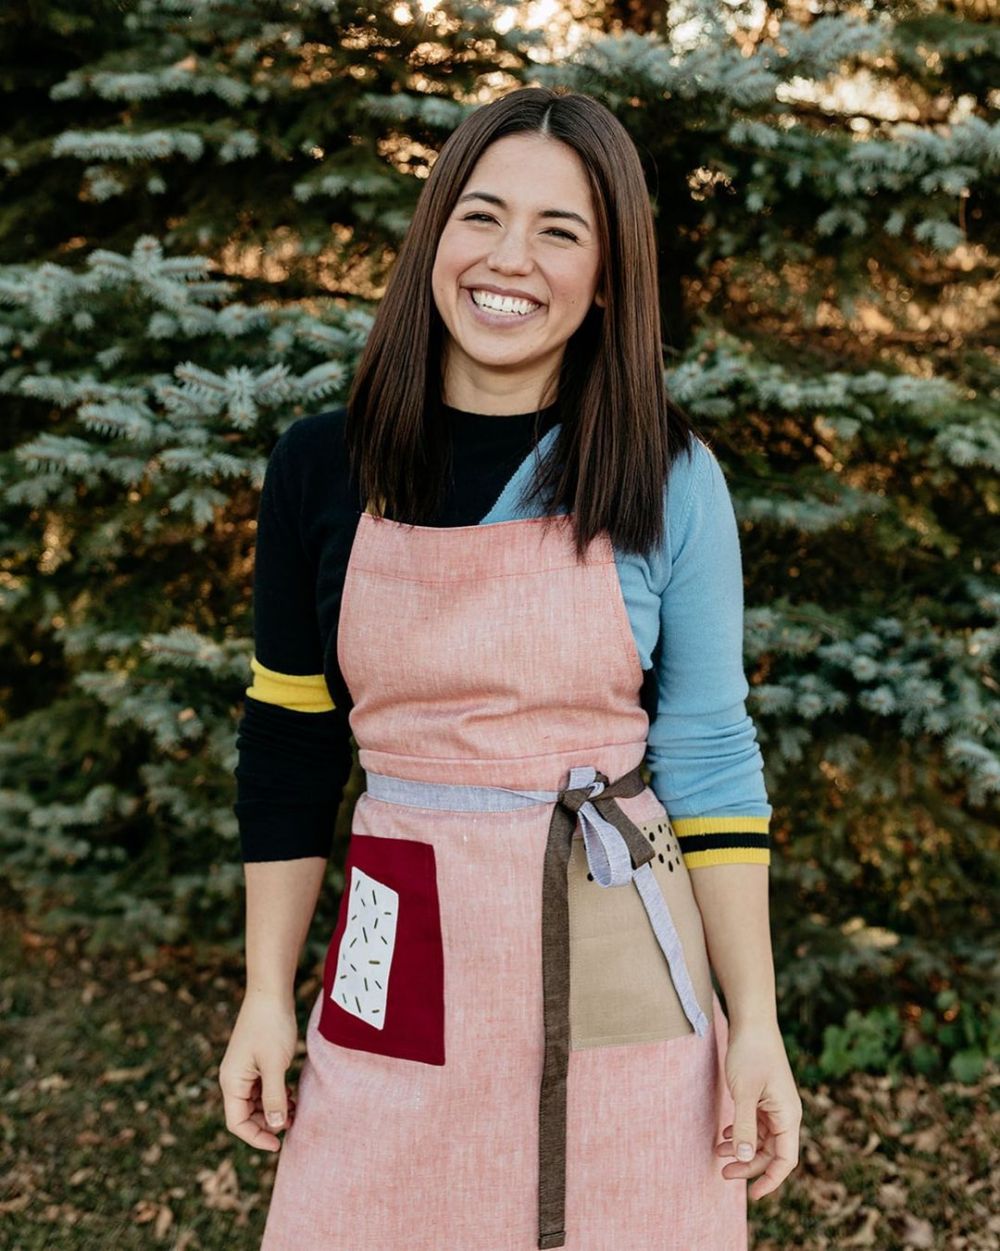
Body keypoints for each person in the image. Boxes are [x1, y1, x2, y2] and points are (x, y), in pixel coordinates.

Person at [220, 85, 801, 1251]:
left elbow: (708, 752)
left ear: (606, 279)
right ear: (435, 233)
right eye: (482, 215)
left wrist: (756, 1025)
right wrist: (262, 996)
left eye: (560, 230)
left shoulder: (670, 477)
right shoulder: (320, 469)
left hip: (622, 937)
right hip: (398, 929)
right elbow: (289, 744)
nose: (510, 260)